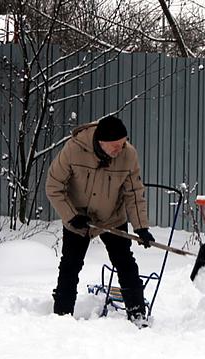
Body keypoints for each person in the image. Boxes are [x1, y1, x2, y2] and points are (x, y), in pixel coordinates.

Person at [46, 115, 155, 327]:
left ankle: (138, 314)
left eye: (123, 143)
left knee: (125, 263)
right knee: (70, 265)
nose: (120, 149)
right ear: (101, 142)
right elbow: (54, 185)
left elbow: (133, 193)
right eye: (116, 145)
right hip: (79, 218)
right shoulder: (74, 149)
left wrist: (141, 227)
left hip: (111, 218)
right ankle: (61, 315)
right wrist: (71, 216)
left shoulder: (128, 155)